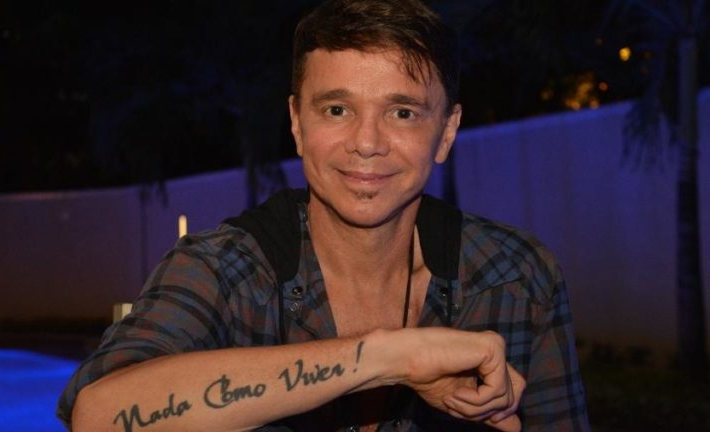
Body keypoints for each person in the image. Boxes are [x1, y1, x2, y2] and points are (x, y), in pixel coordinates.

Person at [58, 0, 589, 430]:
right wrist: (388, 358)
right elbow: (99, 416)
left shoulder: (515, 277)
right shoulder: (222, 270)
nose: (366, 142)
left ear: (447, 131)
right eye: (337, 109)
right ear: (297, 122)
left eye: (402, 112)